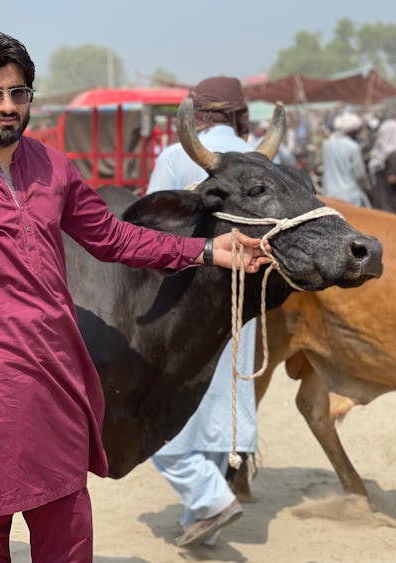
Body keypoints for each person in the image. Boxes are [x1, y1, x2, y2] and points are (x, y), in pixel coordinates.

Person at [0, 32, 270, 562]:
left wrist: (207, 250)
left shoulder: (53, 168)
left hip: (58, 383)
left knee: (68, 537)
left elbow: (114, 238)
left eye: (18, 93)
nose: (7, 106)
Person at [147, 76, 258, 548]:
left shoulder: (176, 156)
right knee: (220, 407)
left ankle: (210, 499)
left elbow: (149, 224)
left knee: (159, 417)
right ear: (238, 113)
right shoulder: (264, 158)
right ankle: (202, 516)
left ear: (198, 113)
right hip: (243, 299)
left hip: (188, 303)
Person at [321, 113, 371, 208]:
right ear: (352, 131)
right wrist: (367, 187)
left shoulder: (327, 145)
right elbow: (360, 174)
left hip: (329, 194)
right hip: (349, 196)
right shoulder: (353, 147)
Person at [368, 116, 396, 215]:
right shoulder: (393, 155)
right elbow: (392, 179)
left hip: (379, 203)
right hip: (393, 205)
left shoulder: (376, 154)